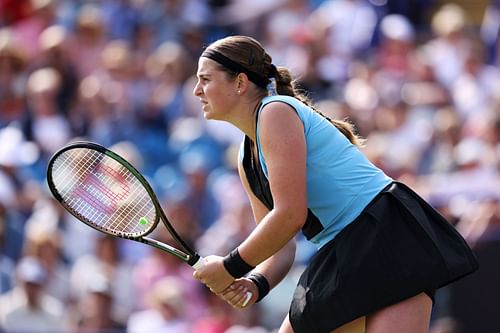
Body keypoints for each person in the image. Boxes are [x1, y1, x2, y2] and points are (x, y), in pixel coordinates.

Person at [191, 35, 479, 333]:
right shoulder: (245, 158)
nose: (197, 90)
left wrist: (230, 266)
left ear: (239, 83)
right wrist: (255, 282)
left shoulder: (274, 112)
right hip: (346, 248)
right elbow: (281, 246)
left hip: (387, 234)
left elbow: (290, 216)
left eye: (205, 79)